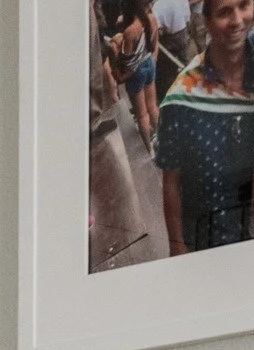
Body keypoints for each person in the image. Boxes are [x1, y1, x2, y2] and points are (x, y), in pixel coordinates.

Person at [155, 0, 254, 253]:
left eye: (243, 5)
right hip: (207, 237)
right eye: (225, 12)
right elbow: (171, 180)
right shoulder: (181, 99)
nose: (237, 20)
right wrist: (176, 245)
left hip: (249, 231)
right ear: (207, 22)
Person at [90, 0, 149, 267]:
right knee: (151, 110)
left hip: (135, 78)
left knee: (141, 114)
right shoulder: (151, 23)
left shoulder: (126, 33)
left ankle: (147, 145)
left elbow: (122, 73)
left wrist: (115, 48)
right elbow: (154, 51)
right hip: (150, 67)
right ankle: (151, 146)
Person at [111, 0, 162, 143]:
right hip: (149, 63)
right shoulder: (152, 18)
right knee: (152, 107)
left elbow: (129, 62)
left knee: (142, 115)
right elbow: (154, 42)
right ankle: (161, 140)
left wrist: (116, 48)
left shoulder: (129, 32)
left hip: (136, 72)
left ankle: (148, 148)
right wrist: (152, 60)